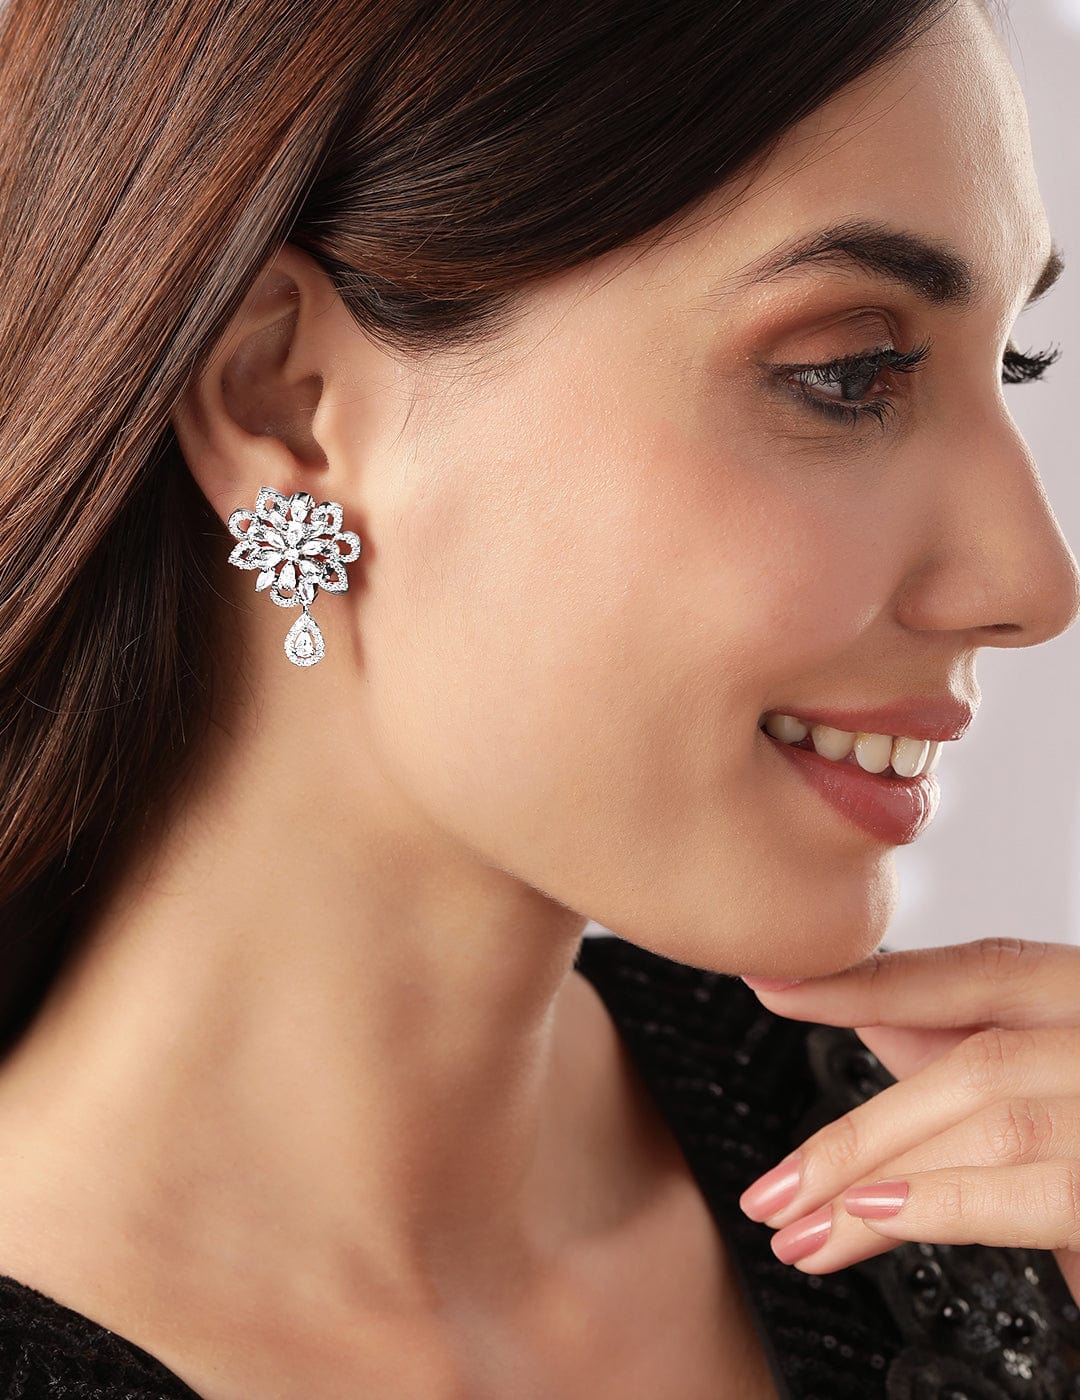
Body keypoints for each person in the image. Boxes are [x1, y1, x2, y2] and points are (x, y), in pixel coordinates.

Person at [0, 0, 1078, 1395]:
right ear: (285, 402)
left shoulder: (976, 1196)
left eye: (1016, 367)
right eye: (847, 374)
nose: (1034, 580)